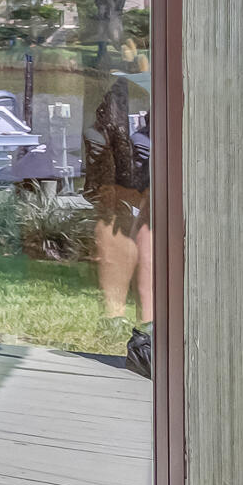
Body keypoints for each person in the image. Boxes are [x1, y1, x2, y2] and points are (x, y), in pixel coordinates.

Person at [83, 80, 150, 325]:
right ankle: (117, 315)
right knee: (115, 241)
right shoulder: (103, 136)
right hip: (115, 198)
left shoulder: (127, 138)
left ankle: (123, 316)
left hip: (123, 196)